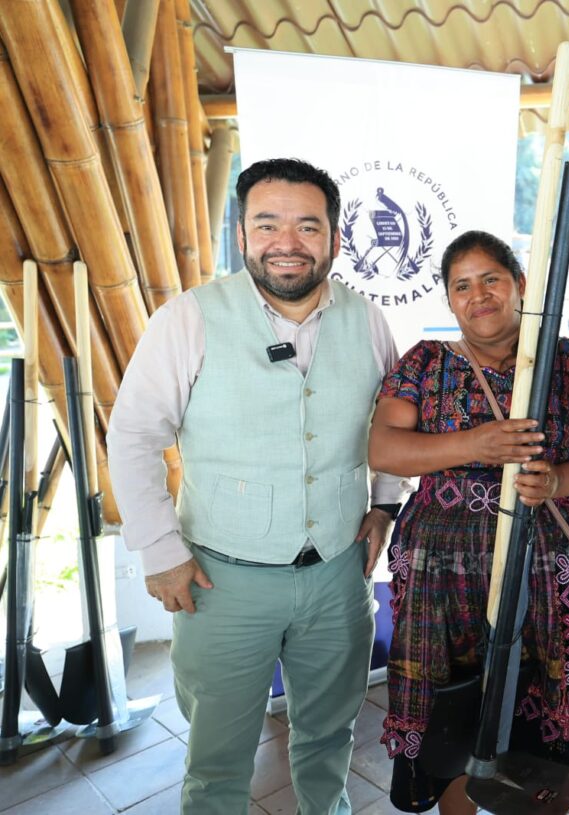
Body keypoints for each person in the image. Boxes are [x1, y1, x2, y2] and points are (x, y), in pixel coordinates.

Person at [107, 157, 405, 814]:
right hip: (221, 581)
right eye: (267, 224)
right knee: (217, 758)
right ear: (242, 234)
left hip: (338, 574)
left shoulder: (367, 320)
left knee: (330, 737)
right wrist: (160, 550)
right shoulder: (188, 318)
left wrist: (385, 505)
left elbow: (394, 423)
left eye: (308, 226)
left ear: (334, 238)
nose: (286, 242)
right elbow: (132, 436)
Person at [370, 230, 569, 814]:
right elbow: (383, 449)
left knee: (548, 698)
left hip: (544, 565)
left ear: (521, 285)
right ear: (448, 299)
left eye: (491, 279)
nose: (478, 295)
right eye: (462, 286)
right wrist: (476, 443)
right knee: (451, 712)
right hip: (440, 574)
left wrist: (559, 481)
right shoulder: (426, 363)